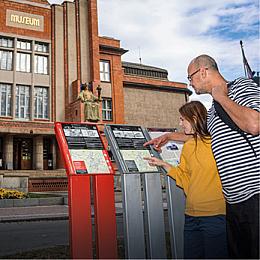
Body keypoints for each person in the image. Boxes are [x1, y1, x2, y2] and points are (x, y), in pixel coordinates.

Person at [144, 54, 260, 259]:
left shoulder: (240, 87)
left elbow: (254, 124)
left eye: (190, 77)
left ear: (203, 71)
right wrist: (170, 136)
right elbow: (203, 138)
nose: (190, 82)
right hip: (233, 204)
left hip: (254, 196)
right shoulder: (214, 111)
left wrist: (221, 96)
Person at [145, 101, 228, 259]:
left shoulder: (218, 143)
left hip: (216, 217)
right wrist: (164, 164)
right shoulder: (189, 146)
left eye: (183, 119)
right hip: (191, 217)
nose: (180, 123)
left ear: (195, 118)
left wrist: (170, 136)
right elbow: (184, 177)